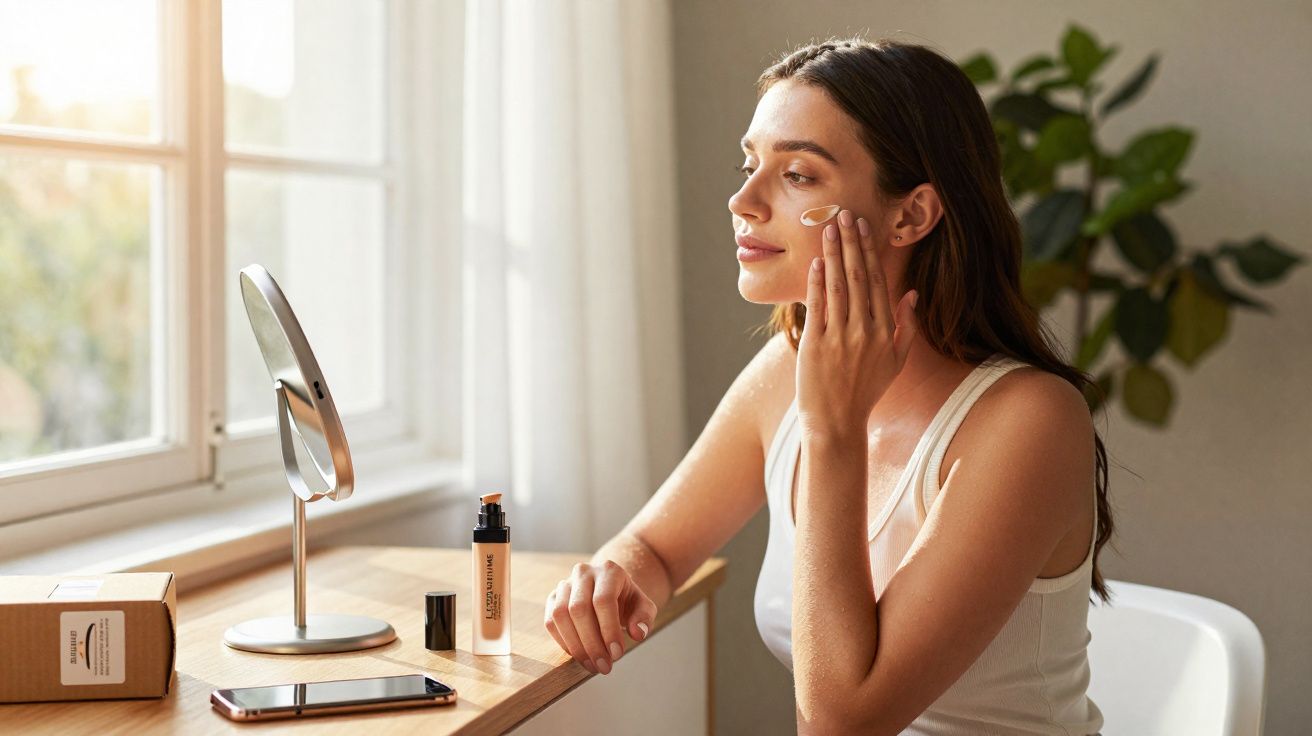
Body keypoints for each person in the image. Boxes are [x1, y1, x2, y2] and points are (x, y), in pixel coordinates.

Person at [542, 36, 1112, 735]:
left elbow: (841, 723)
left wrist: (834, 430)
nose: (742, 200)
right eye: (751, 164)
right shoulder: (787, 371)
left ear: (912, 215)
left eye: (799, 175)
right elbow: (655, 550)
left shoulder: (1031, 421)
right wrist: (611, 576)